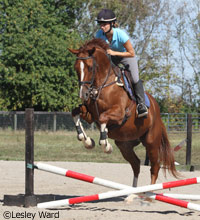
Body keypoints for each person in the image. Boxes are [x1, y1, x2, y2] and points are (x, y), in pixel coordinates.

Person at [95, 9, 148, 118]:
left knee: (134, 78)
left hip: (126, 57)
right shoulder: (99, 35)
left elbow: (131, 53)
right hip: (111, 58)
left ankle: (141, 105)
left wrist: (114, 52)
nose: (102, 27)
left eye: (104, 24)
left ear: (112, 24)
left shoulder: (121, 34)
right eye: (101, 24)